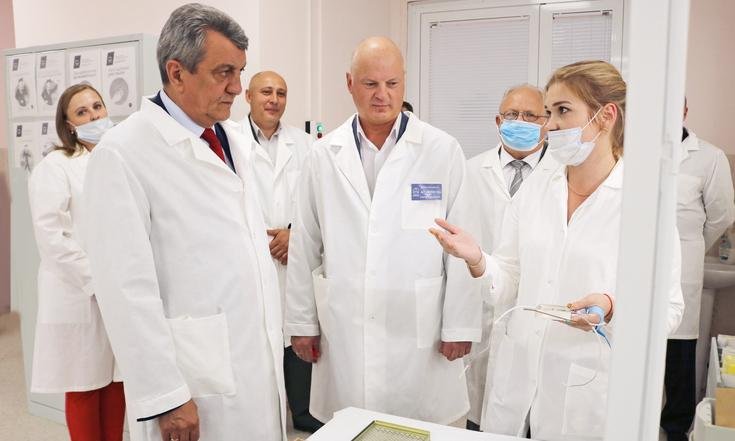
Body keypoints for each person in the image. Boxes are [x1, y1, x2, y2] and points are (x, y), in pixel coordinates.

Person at [429, 60, 685, 440]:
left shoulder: (643, 202)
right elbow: (510, 278)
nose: (549, 126)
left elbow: (669, 308)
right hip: (518, 382)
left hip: (587, 390)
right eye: (548, 112)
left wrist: (611, 307)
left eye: (563, 111)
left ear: (606, 116)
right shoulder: (537, 187)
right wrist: (479, 259)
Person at [83, 4, 286, 441]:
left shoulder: (232, 139)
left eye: (240, 72)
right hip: (192, 382)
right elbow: (124, 290)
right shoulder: (123, 153)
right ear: (177, 73)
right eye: (223, 72)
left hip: (254, 361)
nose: (237, 88)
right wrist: (165, 396)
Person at [285, 36, 481, 425]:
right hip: (346, 324)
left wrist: (459, 324)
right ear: (349, 83)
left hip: (420, 326)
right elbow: (305, 243)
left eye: (392, 84)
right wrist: (302, 323)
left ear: (404, 82)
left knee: (419, 424)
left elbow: (462, 244)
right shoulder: (323, 154)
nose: (382, 95)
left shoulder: (441, 150)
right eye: (370, 84)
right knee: (353, 425)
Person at [28, 83, 124, 441]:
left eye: (97, 106)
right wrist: (96, 280)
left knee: (116, 380)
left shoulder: (119, 159)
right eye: (82, 112)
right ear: (69, 125)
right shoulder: (55, 166)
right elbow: (52, 236)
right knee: (84, 384)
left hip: (117, 289)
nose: (94, 115)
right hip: (78, 292)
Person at [463, 83, 552, 431]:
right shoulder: (471, 170)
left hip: (533, 309)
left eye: (531, 115)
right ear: (498, 121)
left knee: (527, 414)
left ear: (546, 122)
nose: (520, 122)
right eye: (512, 115)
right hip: (479, 304)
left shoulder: (561, 175)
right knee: (476, 414)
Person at [239, 70, 321, 432]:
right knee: (256, 341)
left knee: (296, 335)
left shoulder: (306, 145)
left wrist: (295, 235)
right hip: (250, 258)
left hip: (293, 257)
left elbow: (318, 204)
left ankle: (301, 412)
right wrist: (260, 240)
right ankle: (264, 417)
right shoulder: (229, 140)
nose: (274, 100)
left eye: (281, 93)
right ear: (248, 96)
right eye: (266, 92)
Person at [660, 98, 735, 441]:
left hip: (684, 266)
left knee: (678, 352)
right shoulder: (630, 149)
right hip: (636, 266)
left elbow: (722, 215)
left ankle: (676, 428)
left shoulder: (710, 157)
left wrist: (689, 247)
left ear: (685, 112)